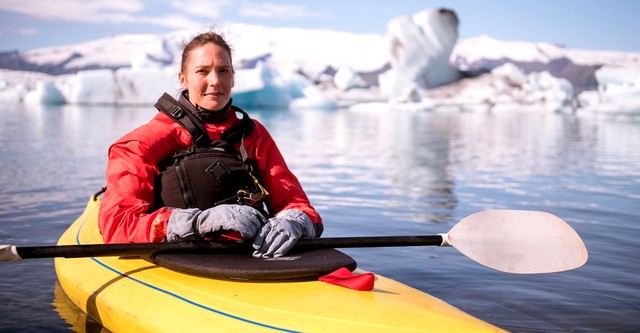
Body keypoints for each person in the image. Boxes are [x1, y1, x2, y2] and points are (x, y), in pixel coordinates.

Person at [98, 32, 323, 258]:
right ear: (183, 79)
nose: (215, 81)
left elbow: (294, 201)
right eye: (202, 71)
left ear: (233, 79)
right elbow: (117, 226)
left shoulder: (253, 135)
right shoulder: (141, 143)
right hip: (181, 260)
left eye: (223, 71)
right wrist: (196, 223)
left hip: (254, 256)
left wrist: (295, 221)